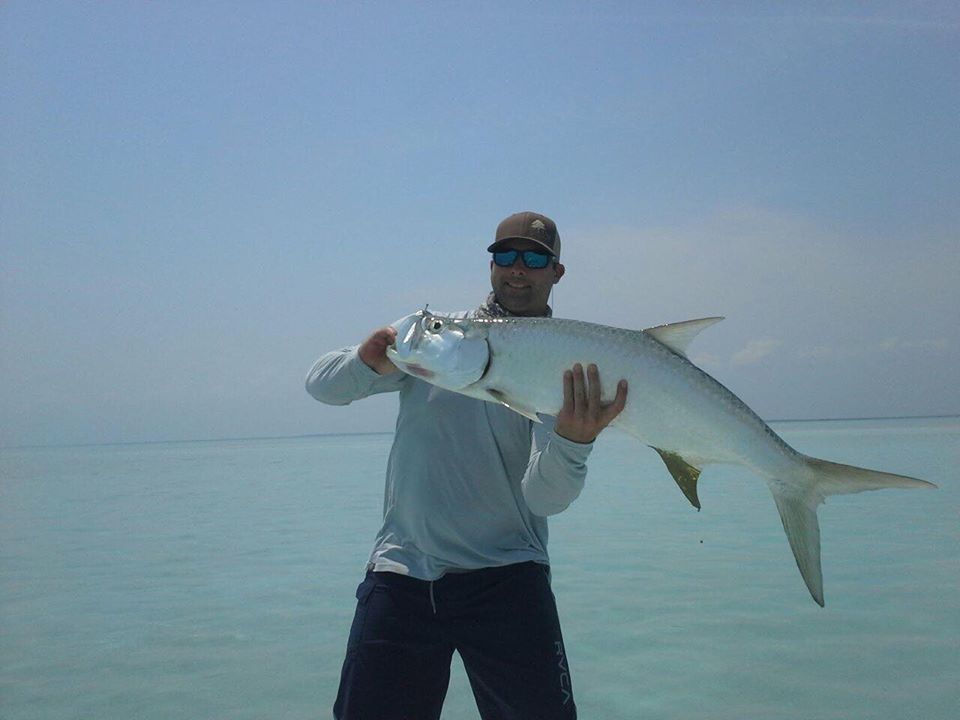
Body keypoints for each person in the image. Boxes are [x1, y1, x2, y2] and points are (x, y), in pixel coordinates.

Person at [306, 211, 628, 720]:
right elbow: (323, 387)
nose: (517, 269)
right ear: (491, 263)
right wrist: (365, 361)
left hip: (509, 578)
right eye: (505, 255)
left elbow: (546, 499)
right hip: (403, 574)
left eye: (534, 258)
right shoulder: (436, 338)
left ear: (556, 272)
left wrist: (573, 441)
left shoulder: (565, 365)